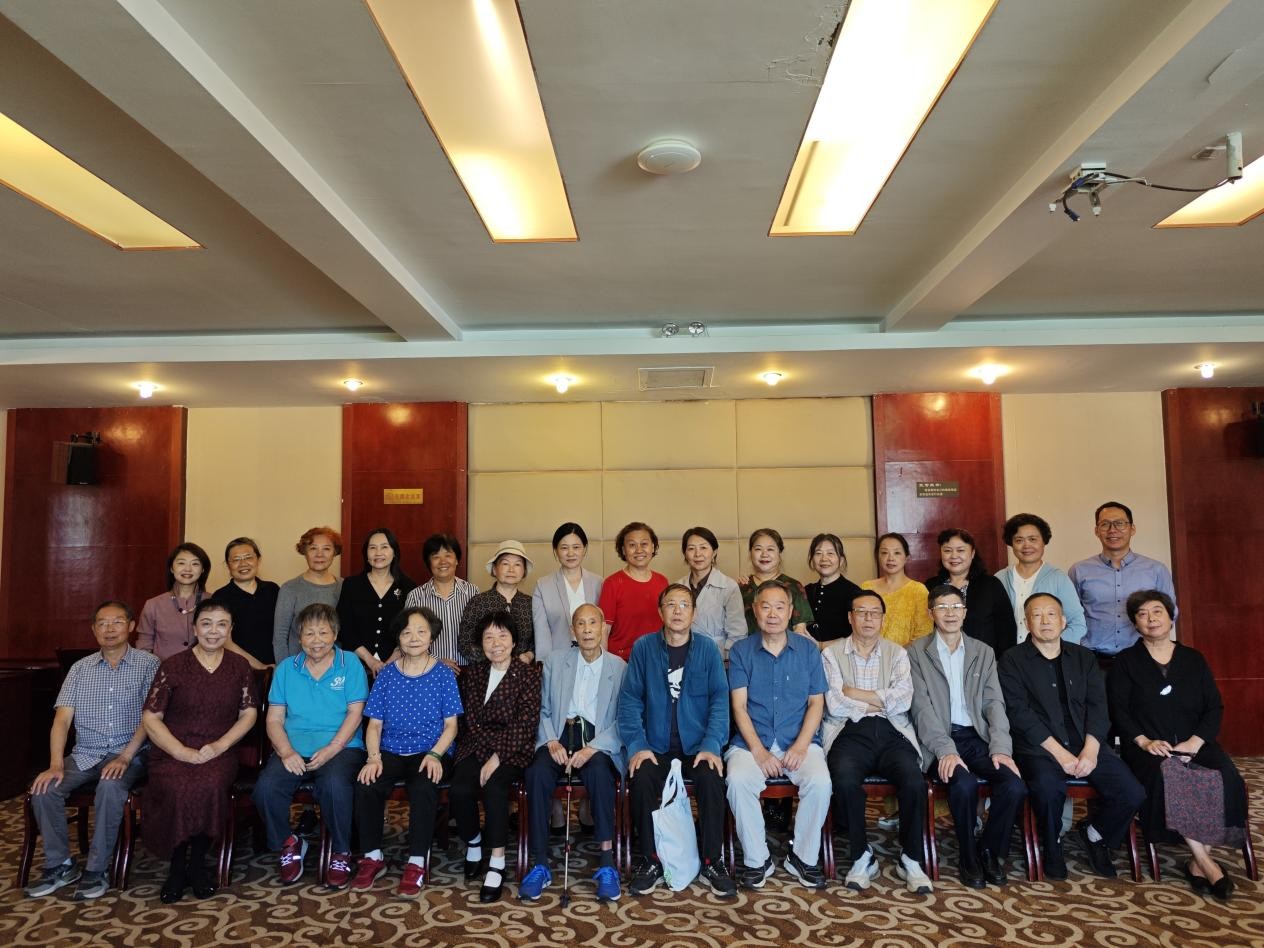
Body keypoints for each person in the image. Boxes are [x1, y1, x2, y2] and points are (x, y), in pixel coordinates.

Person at [1108, 590, 1244, 901]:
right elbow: (1118, 711)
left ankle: (1197, 862)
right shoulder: (1125, 662)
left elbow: (1214, 707)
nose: (1151, 619)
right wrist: (1144, 741)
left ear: (1171, 617)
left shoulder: (1193, 659)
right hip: (1147, 747)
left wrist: (1195, 742)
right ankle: (1206, 863)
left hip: (1195, 742)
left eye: (1157, 611)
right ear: (1135, 623)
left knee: (1227, 776)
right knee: (1173, 775)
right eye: (1142, 614)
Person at [998, 593, 1144, 880]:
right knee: (1047, 788)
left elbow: (1098, 707)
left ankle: (1094, 834)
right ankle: (1051, 845)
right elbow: (1019, 713)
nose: (1045, 620)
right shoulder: (1011, 660)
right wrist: (1060, 754)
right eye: (1037, 615)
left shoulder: (1084, 657)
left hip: (1086, 741)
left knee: (1132, 792)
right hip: (1039, 747)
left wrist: (1091, 749)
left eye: (1051, 614)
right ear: (1026, 622)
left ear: (1063, 621)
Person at [24, 601, 160, 901]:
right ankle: (61, 864)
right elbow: (62, 720)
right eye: (102, 623)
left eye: (117, 622)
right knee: (44, 789)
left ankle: (97, 869)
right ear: (93, 629)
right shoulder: (79, 669)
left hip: (131, 753)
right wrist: (55, 764)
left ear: (131, 626)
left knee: (110, 786)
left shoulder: (149, 664)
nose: (109, 629)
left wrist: (125, 756)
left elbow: (150, 719)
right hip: (85, 753)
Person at [617, 584, 736, 897]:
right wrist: (637, 745)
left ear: (694, 613)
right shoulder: (644, 648)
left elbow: (719, 701)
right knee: (641, 777)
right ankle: (651, 860)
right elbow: (629, 701)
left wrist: (712, 745)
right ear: (661, 612)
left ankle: (712, 860)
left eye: (685, 604)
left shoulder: (708, 649)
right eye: (671, 604)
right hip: (655, 747)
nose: (678, 610)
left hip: (696, 747)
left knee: (712, 777)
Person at [908, 585, 1025, 889]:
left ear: (965, 612)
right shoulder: (915, 652)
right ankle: (968, 855)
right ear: (930, 613)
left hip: (977, 738)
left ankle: (990, 850)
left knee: (1013, 784)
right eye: (942, 607)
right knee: (964, 784)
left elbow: (994, 703)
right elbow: (921, 708)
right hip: (939, 740)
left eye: (956, 607)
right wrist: (945, 750)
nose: (950, 613)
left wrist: (1001, 748)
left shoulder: (983, 652)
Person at [142, 599, 259, 902]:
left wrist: (221, 745)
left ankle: (196, 864)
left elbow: (249, 713)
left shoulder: (239, 666)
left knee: (209, 782)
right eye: (206, 624)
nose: (213, 631)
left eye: (222, 625)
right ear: (195, 628)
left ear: (230, 630)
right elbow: (151, 718)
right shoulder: (172, 665)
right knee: (178, 786)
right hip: (172, 751)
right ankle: (177, 867)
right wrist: (180, 751)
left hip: (219, 751)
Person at [822, 590, 933, 894]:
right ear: (850, 617)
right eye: (861, 612)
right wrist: (880, 700)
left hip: (892, 730)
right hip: (848, 731)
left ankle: (911, 858)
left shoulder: (897, 653)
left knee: (914, 781)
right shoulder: (831, 654)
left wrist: (855, 693)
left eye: (874, 613)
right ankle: (862, 855)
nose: (868, 618)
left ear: (883, 619)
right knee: (844, 780)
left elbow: (903, 700)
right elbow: (835, 704)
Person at [252, 603, 368, 889]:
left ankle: (341, 851)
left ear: (335, 634)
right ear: (299, 637)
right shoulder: (286, 669)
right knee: (265, 789)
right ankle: (289, 842)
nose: (316, 640)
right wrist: (286, 751)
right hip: (293, 747)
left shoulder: (351, 663)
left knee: (334, 785)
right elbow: (274, 719)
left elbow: (356, 713)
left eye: (323, 633)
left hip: (342, 747)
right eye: (309, 633)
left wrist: (332, 748)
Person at [725, 582, 831, 890]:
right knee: (738, 780)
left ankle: (802, 857)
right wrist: (759, 751)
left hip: (799, 739)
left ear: (790, 611)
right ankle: (757, 860)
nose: (773, 614)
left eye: (780, 607)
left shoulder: (808, 650)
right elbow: (739, 706)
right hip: (751, 742)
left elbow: (816, 703)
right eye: (766, 606)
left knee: (820, 782)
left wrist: (800, 746)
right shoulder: (742, 651)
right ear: (755, 611)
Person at [352, 607, 463, 896]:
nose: (414, 638)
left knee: (424, 785)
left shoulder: (443, 674)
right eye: (406, 632)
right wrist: (373, 758)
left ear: (432, 637)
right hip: (390, 749)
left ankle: (416, 860)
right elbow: (374, 725)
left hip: (431, 750)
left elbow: (451, 726)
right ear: (398, 638)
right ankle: (372, 857)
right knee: (367, 783)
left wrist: (436, 754)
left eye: (421, 632)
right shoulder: (387, 675)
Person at [519, 603, 626, 903]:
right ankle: (540, 863)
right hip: (559, 733)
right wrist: (550, 740)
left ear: (603, 628)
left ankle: (607, 863)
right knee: (537, 773)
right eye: (581, 624)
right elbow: (541, 708)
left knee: (601, 775)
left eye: (593, 623)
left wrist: (593, 748)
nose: (588, 629)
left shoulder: (619, 667)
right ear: (572, 630)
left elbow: (623, 718)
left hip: (597, 738)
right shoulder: (556, 661)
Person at [451, 611, 542, 903]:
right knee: (459, 788)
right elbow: (468, 718)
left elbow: (525, 723)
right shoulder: (474, 673)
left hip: (512, 749)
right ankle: (474, 842)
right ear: (481, 643)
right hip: (475, 745)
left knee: (494, 787)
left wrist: (496, 757)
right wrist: (482, 751)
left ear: (514, 642)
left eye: (503, 636)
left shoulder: (528, 675)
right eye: (488, 637)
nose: (496, 643)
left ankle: (497, 861)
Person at [1069, 502, 1177, 662]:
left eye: (1120, 523)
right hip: (1092, 660)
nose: (1112, 530)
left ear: (1132, 528)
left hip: (1142, 658)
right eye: (1105, 524)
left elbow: (1170, 613)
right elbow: (1070, 616)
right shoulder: (1079, 571)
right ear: (1096, 531)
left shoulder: (1156, 570)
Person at [923, 528, 1017, 657]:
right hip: (939, 660)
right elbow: (924, 628)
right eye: (947, 551)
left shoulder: (991, 585)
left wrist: (1003, 662)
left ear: (972, 553)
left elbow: (1006, 629)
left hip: (983, 661)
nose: (954, 556)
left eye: (961, 550)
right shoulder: (930, 586)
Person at [995, 513, 1086, 645]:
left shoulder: (1058, 579)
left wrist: (1049, 648)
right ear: (1011, 544)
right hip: (1007, 655)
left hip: (1047, 656)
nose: (1026, 545)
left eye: (1032, 539)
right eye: (1019, 540)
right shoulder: (999, 578)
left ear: (1044, 542)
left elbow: (1078, 625)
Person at [336, 527, 415, 677]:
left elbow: (412, 629)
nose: (378, 553)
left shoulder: (407, 587)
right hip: (355, 666)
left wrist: (390, 662)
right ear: (366, 554)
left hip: (398, 666)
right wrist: (370, 660)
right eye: (372, 548)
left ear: (394, 552)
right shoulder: (351, 585)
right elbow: (344, 628)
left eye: (384, 547)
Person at [403, 533, 479, 669]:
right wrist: (436, 661)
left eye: (448, 555)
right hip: (429, 670)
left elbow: (482, 634)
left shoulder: (472, 592)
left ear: (457, 560)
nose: (442, 561)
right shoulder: (415, 597)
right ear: (429, 562)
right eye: (436, 557)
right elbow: (407, 639)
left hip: (469, 670)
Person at [531, 522, 603, 664]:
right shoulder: (543, 586)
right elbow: (542, 633)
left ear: (584, 549)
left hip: (594, 659)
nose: (570, 553)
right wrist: (545, 665)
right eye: (564, 548)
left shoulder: (599, 583)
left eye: (576, 547)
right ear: (555, 550)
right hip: (558, 661)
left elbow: (604, 628)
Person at [599, 521, 670, 661]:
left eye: (644, 544)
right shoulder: (612, 583)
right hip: (622, 662)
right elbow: (604, 629)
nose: (639, 550)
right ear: (623, 550)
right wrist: (605, 664)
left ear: (653, 547)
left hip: (656, 659)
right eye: (632, 545)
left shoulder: (662, 581)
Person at [273, 526, 343, 663]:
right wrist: (285, 670)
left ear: (335, 552)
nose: (319, 554)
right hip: (298, 666)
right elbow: (280, 636)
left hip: (336, 667)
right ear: (305, 552)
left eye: (326, 549)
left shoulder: (345, 587)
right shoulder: (289, 589)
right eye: (313, 548)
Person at [458, 540, 535, 664]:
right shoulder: (478, 602)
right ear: (494, 569)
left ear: (524, 571)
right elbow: (465, 642)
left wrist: (529, 655)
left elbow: (537, 641)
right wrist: (492, 661)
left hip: (522, 671)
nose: (511, 569)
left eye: (517, 564)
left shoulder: (530, 603)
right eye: (505, 563)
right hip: (485, 672)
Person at [212, 537, 279, 671]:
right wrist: (261, 667)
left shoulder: (273, 590)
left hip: (276, 668)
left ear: (258, 560)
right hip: (236, 669)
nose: (243, 564)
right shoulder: (220, 597)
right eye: (236, 559)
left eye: (248, 557)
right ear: (228, 565)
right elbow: (224, 640)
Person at [137, 542, 213, 660]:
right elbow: (144, 645)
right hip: (163, 669)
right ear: (172, 568)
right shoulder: (153, 605)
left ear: (203, 569)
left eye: (195, 563)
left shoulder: (214, 601)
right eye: (181, 563)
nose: (188, 569)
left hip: (206, 669)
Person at [677, 525, 745, 655]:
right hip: (683, 655)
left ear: (714, 552)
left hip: (718, 656)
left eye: (703, 548)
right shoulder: (677, 586)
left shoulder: (728, 586)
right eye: (691, 548)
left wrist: (727, 660)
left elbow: (738, 633)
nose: (698, 554)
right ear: (685, 554)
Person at [738, 528, 813, 637]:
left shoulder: (794, 586)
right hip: (746, 646)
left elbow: (800, 630)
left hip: (784, 647)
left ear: (779, 553)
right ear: (751, 553)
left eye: (770, 549)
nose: (764, 554)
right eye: (758, 549)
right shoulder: (741, 587)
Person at [861, 533, 931, 648]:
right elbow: (859, 625)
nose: (890, 558)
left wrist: (896, 655)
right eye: (884, 553)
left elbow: (923, 634)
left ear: (906, 557)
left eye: (897, 553)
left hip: (907, 656)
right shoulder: (867, 587)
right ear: (877, 556)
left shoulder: (918, 590)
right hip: (868, 654)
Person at [805, 533, 862, 647]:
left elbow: (859, 635)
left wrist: (821, 645)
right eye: (818, 553)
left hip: (841, 656)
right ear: (812, 559)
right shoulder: (806, 591)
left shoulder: (854, 593)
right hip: (807, 656)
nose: (824, 559)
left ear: (841, 560)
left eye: (830, 553)